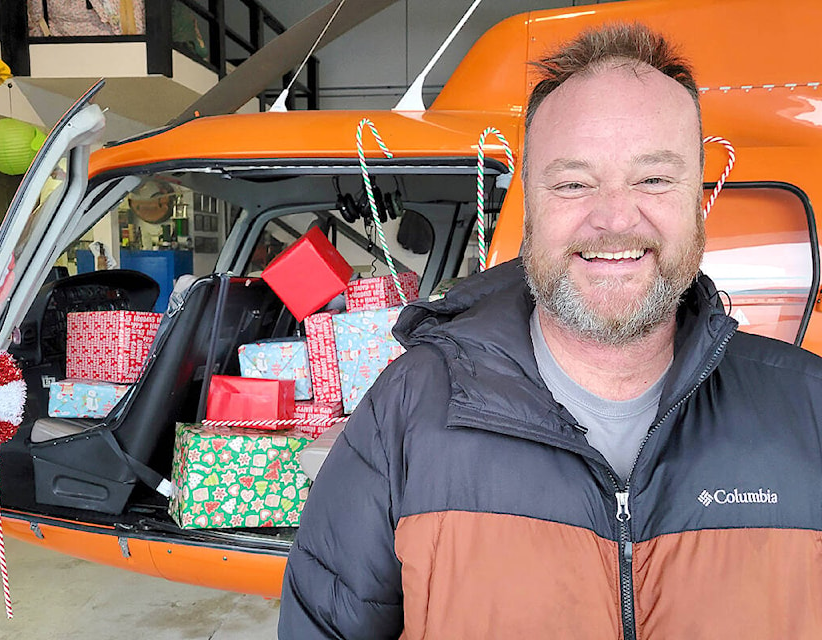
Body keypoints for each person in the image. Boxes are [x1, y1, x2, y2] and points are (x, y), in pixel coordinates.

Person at [278, 23, 822, 639]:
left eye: (653, 179)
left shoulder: (812, 410)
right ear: (530, 207)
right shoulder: (403, 414)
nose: (615, 219)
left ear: (700, 196)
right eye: (572, 183)